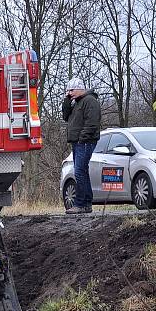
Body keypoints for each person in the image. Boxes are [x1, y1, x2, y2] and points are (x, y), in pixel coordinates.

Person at [62, 78, 101, 214]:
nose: (70, 93)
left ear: (80, 88)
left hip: (85, 141)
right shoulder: (76, 103)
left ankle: (81, 204)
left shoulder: (89, 101)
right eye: (68, 91)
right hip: (77, 142)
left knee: (79, 171)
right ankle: (86, 203)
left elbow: (92, 122)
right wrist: (67, 101)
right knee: (81, 171)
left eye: (72, 90)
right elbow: (66, 116)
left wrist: (82, 138)